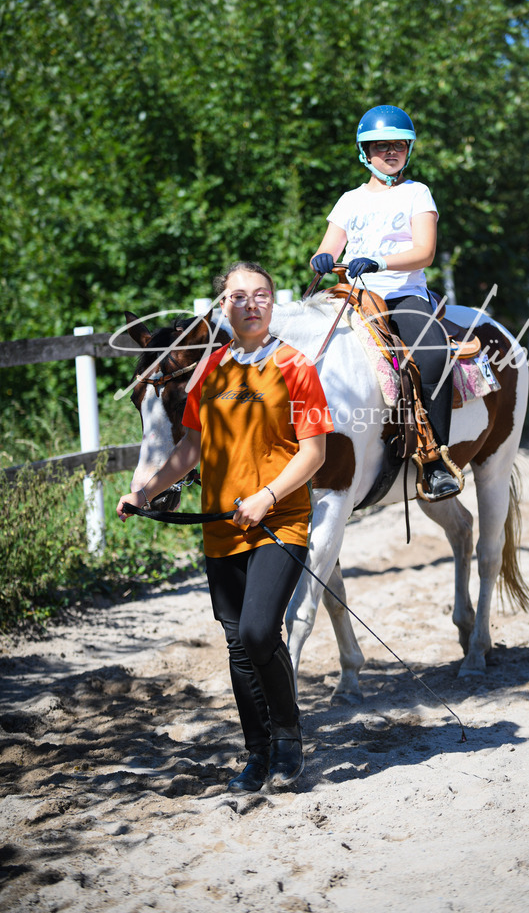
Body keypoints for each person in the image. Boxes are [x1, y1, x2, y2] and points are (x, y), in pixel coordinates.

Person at [116, 261, 334, 793]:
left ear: (272, 304)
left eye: (262, 295)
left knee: (261, 632)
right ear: (223, 307)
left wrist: (267, 496)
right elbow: (190, 447)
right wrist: (144, 489)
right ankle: (256, 755)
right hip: (220, 528)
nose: (251, 304)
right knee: (238, 646)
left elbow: (314, 453)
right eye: (239, 296)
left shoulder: (295, 365)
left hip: (279, 520)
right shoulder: (209, 370)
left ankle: (288, 742)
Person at [310, 104, 458, 498]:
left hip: (402, 294)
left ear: (408, 150)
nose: (390, 152)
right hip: (353, 296)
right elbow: (326, 248)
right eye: (380, 146)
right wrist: (322, 260)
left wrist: (379, 261)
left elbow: (425, 252)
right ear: (365, 152)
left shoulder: (417, 193)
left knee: (432, 353)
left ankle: (434, 459)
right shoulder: (349, 200)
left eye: (398, 145)